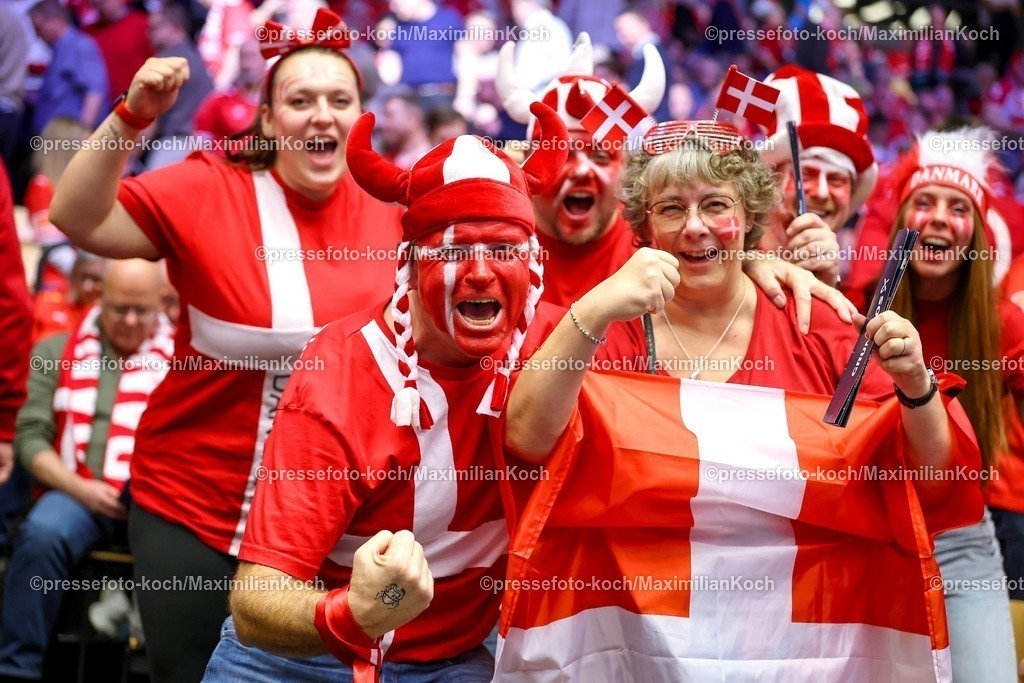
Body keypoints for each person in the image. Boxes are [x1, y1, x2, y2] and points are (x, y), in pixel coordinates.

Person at [47, 10, 404, 682]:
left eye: (339, 100)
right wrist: (132, 116)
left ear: (363, 117)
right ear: (268, 120)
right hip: (194, 506)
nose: (320, 116)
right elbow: (76, 216)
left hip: (331, 521)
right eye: (299, 100)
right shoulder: (211, 186)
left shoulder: (398, 211)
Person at [202, 102, 568, 681]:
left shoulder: (558, 343)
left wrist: (751, 261)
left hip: (453, 661)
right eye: (450, 250)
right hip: (304, 661)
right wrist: (351, 613)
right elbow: (256, 603)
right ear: (408, 264)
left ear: (533, 266)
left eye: (502, 249)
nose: (479, 273)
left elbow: (677, 300)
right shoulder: (343, 374)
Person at [883, 127, 1022, 682]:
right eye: (923, 202)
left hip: (963, 545)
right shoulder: (851, 307)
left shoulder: (1003, 327)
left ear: (976, 236)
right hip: (872, 537)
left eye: (958, 207)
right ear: (899, 223)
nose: (939, 217)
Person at [0, 259, 174, 683]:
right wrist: (80, 488)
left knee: (186, 556)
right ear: (99, 298)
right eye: (119, 309)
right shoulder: (54, 351)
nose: (131, 321)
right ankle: (15, 670)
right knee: (42, 535)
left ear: (161, 306)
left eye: (142, 310)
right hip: (73, 489)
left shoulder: (186, 361)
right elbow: (30, 437)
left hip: (153, 500)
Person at [760, 67, 879, 289]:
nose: (822, 192)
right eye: (806, 175)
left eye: (837, 180)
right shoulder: (727, 262)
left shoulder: (859, 293)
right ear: (770, 182)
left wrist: (828, 287)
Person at [144, 2, 214, 169]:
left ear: (174, 27)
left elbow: (149, 117)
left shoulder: (165, 63)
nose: (148, 34)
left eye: (154, 28)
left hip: (172, 148)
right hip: (201, 149)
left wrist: (128, 158)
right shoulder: (196, 58)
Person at [27, 0, 108, 135]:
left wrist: (82, 135)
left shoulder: (80, 46)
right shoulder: (58, 50)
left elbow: (95, 93)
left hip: (70, 141)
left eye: (38, 28)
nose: (37, 35)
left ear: (56, 20)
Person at [32, 249, 105, 344]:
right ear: (73, 274)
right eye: (83, 276)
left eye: (95, 279)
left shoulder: (104, 315)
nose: (87, 287)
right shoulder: (45, 302)